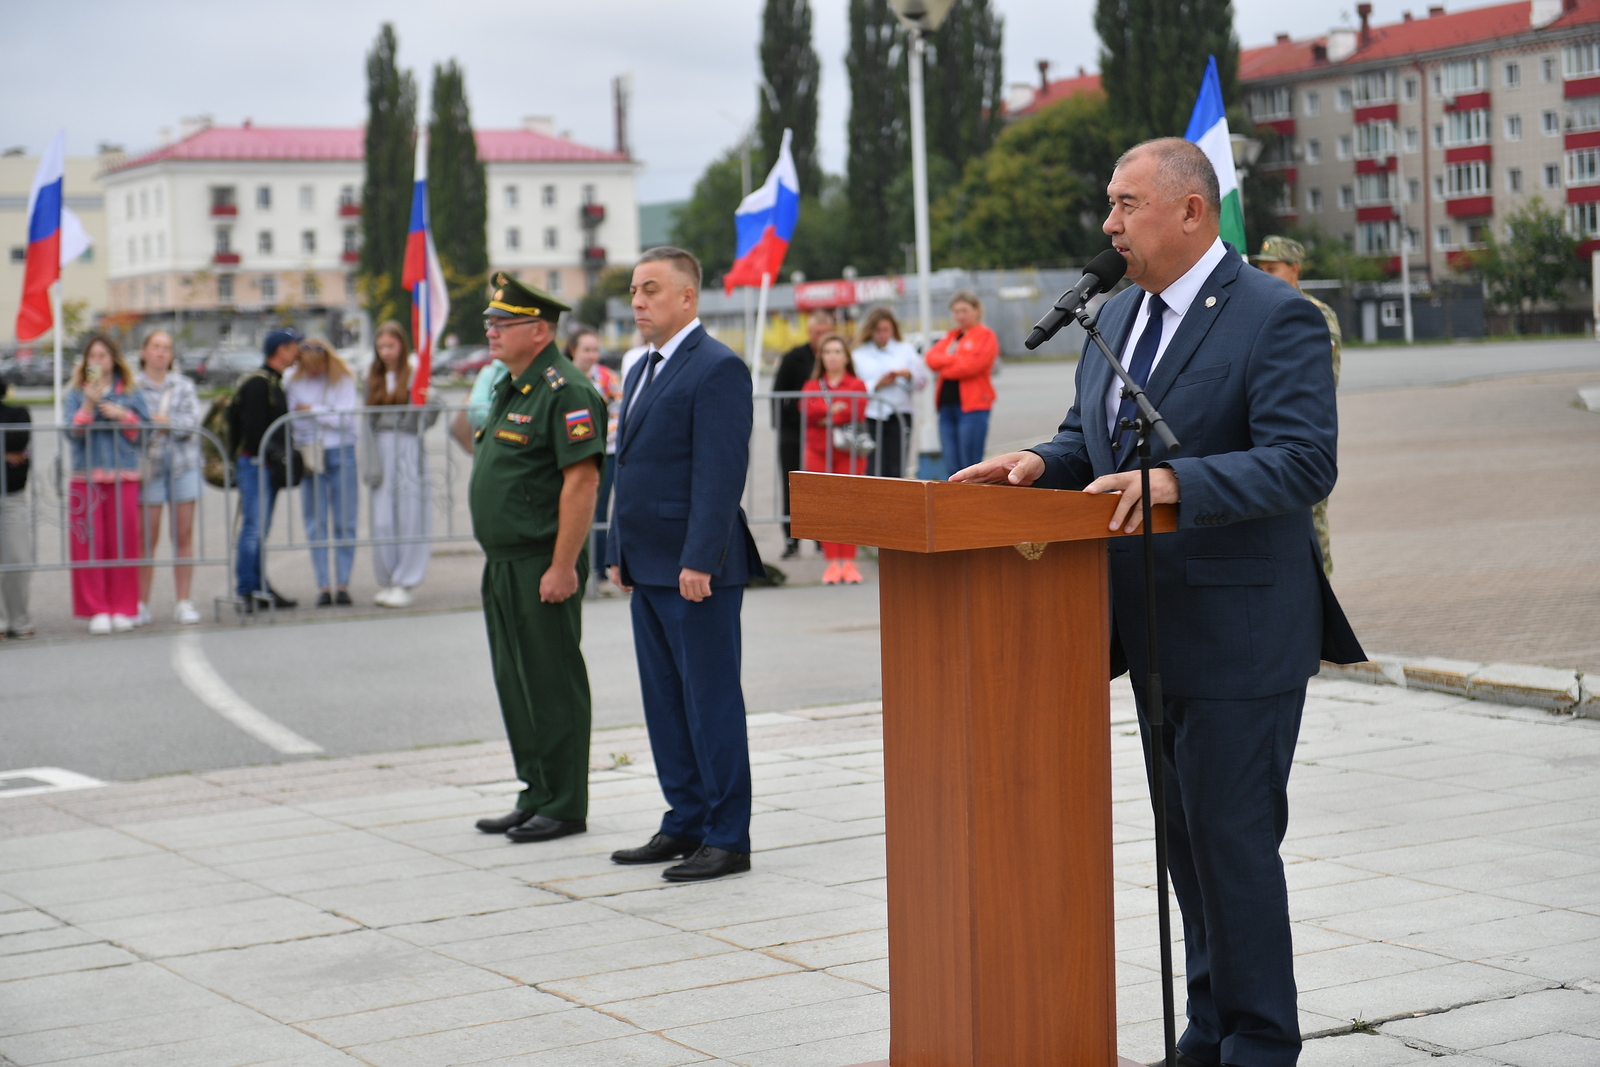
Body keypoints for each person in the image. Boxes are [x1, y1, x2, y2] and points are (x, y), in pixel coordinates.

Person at [952, 138, 1362, 1067]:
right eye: (1110, 204)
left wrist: (1176, 482)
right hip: (1149, 626)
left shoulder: (1275, 316)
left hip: (1242, 629)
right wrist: (1037, 463)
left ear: (1190, 211)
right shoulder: (1119, 317)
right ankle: (1209, 1027)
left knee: (1234, 845)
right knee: (1187, 848)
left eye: (1126, 204)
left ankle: (1259, 1042)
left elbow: (1305, 460)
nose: (1108, 223)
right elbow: (1084, 437)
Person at [606, 246, 764, 882]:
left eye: (650, 290)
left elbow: (720, 473)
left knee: (710, 702)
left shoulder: (717, 368)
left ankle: (727, 836)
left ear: (687, 298)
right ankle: (685, 820)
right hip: (647, 565)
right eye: (635, 291)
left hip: (696, 570)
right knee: (666, 702)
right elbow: (630, 468)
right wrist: (616, 549)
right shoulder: (642, 367)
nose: (638, 301)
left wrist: (700, 557)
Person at [468, 273, 606, 844]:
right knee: (516, 681)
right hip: (503, 561)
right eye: (490, 323)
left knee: (551, 681)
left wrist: (562, 565)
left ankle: (566, 801)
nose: (492, 332)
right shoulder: (512, 384)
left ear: (540, 330)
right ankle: (536, 791)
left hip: (539, 560)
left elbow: (581, 482)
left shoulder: (565, 389)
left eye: (503, 323)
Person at [1254, 234, 1343, 576]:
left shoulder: (1314, 314)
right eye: (1260, 268)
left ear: (1295, 270)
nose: (1264, 274)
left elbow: (1321, 385)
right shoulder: (1256, 309)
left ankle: (1319, 594)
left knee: (1312, 523)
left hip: (1301, 438)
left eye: (1272, 269)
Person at [63, 333, 150, 633]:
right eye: (92, 357)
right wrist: (88, 405)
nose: (97, 361)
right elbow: (71, 435)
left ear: (114, 359)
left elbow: (144, 433)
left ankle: (123, 607)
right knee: (89, 544)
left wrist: (123, 414)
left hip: (122, 474)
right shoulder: (75, 392)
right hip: (85, 476)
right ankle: (96, 608)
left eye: (102, 355)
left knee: (123, 543)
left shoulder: (131, 391)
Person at [363, 321, 439, 609]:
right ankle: (388, 577)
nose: (386, 352)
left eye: (390, 346)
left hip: (407, 444)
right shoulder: (371, 378)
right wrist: (371, 463)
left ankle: (406, 580)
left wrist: (426, 405)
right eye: (381, 346)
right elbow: (365, 420)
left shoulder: (414, 375)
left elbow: (430, 412)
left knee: (410, 515)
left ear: (401, 345)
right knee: (383, 519)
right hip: (382, 445)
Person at [134, 330, 202, 626]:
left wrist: (164, 423)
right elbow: (132, 425)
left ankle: (183, 601)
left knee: (183, 536)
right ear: (144, 352)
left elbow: (191, 423)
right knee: (145, 538)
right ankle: (140, 603)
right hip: (149, 469)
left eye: (167, 348)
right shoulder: (133, 387)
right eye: (156, 346)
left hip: (183, 466)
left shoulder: (183, 385)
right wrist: (162, 425)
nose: (161, 352)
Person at [285, 338, 359, 606]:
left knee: (345, 520)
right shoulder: (292, 379)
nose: (314, 372)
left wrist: (312, 410)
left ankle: (342, 583)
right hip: (310, 451)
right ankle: (323, 584)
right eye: (309, 366)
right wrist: (326, 413)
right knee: (315, 521)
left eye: (319, 366)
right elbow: (296, 419)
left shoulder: (343, 378)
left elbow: (346, 418)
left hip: (341, 449)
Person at [232, 328, 300, 612]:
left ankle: (259, 586)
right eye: (293, 346)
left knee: (260, 529)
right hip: (255, 465)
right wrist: (275, 453)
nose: (297, 351)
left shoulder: (273, 381)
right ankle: (247, 589)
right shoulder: (259, 384)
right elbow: (254, 430)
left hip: (265, 466)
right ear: (280, 350)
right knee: (254, 528)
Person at [801, 333, 869, 584]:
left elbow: (857, 409)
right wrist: (834, 409)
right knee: (826, 507)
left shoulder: (856, 384)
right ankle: (832, 563)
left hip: (849, 452)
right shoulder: (811, 385)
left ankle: (849, 562)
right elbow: (806, 409)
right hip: (818, 451)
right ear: (821, 356)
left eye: (837, 351)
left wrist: (825, 414)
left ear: (846, 356)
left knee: (850, 505)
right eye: (827, 351)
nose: (832, 356)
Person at [772, 308, 836, 557]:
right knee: (790, 485)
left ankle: (823, 537)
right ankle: (791, 539)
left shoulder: (834, 357)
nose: (821, 336)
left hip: (823, 433)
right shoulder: (793, 358)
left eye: (825, 332)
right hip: (793, 432)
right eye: (817, 332)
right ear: (810, 332)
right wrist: (781, 428)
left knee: (821, 487)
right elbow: (778, 395)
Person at [566, 326, 624, 594]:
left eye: (595, 349)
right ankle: (573, 567)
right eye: (586, 349)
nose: (592, 355)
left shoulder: (607, 377)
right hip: (572, 454)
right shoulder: (563, 377)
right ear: (573, 350)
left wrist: (599, 436)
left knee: (600, 511)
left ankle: (599, 571)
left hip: (605, 453)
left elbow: (619, 413)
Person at [924, 291, 998, 476]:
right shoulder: (951, 336)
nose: (960, 316)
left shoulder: (985, 335)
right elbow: (931, 358)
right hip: (947, 407)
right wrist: (957, 359)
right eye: (956, 311)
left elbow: (972, 366)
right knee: (951, 464)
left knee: (970, 464)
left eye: (964, 310)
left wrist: (946, 366)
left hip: (973, 407)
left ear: (976, 310)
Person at [850, 307, 926, 479]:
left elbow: (921, 381)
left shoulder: (905, 349)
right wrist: (876, 384)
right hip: (871, 416)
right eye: (877, 330)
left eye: (886, 330)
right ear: (870, 330)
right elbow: (854, 384)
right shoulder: (859, 353)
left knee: (897, 466)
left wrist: (907, 376)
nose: (882, 334)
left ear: (893, 329)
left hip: (899, 414)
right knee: (874, 467)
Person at [0, 372, 33, 639]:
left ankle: (19, 620)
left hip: (12, 496)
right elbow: (9, 449)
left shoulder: (18, 413)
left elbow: (18, 443)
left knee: (19, 558)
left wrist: (10, 450)